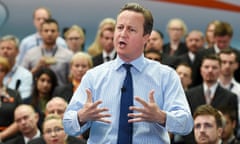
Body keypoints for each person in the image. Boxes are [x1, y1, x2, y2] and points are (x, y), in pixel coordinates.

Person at [63, 2, 193, 144]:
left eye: (131, 30)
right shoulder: (94, 76)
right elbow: (68, 125)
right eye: (119, 28)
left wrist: (162, 117)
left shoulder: (166, 76)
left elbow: (186, 124)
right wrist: (81, 116)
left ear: (146, 37)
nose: (122, 34)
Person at [184, 54, 238, 144]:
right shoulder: (189, 94)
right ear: (201, 70)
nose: (210, 70)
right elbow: (186, 124)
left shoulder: (230, 96)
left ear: (220, 70)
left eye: (214, 67)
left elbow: (233, 127)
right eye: (206, 67)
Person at [21, 18, 73, 85]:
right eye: (46, 31)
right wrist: (37, 68)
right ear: (41, 33)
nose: (49, 34)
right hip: (35, 93)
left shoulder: (68, 55)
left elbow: (72, 80)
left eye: (53, 31)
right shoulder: (30, 53)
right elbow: (21, 77)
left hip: (60, 93)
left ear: (58, 33)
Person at [0, 35, 33, 101]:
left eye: (9, 48)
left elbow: (24, 98)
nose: (5, 51)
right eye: (2, 48)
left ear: (17, 52)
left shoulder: (25, 75)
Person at [26, 67, 58, 132]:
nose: (45, 84)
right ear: (36, 80)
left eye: (49, 81)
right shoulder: (26, 102)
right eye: (42, 80)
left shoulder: (57, 102)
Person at [0, 56, 22, 142]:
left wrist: (2, 135)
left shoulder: (14, 94)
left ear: (5, 73)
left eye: (1, 70)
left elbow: (20, 119)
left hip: (11, 138)